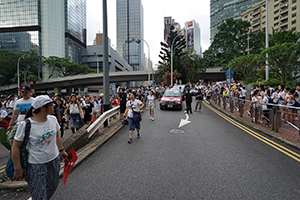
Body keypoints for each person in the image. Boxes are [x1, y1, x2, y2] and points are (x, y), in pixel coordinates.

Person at [11, 95, 67, 200]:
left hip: (54, 161)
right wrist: (18, 167)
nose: (54, 107)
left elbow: (57, 136)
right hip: (36, 165)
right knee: (39, 195)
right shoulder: (26, 125)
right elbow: (15, 147)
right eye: (51, 105)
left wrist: (61, 150)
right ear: (43, 108)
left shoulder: (53, 119)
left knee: (53, 186)